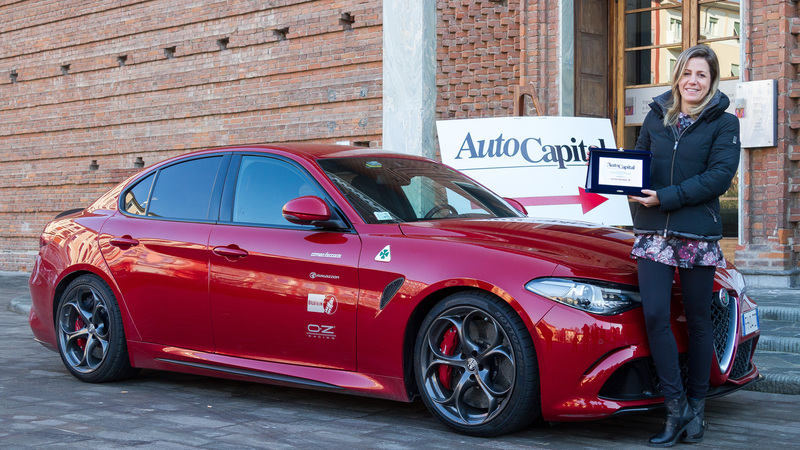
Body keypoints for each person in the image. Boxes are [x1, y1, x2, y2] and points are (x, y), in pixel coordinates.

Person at [629, 44, 740, 447]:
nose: (693, 81)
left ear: (712, 82)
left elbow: (719, 178)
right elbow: (638, 160)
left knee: (698, 322)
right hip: (654, 234)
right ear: (677, 76)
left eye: (702, 76)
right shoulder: (656, 116)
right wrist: (618, 182)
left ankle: (697, 406)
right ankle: (673, 409)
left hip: (696, 235)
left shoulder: (724, 123)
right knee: (656, 316)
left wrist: (666, 197)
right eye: (687, 73)